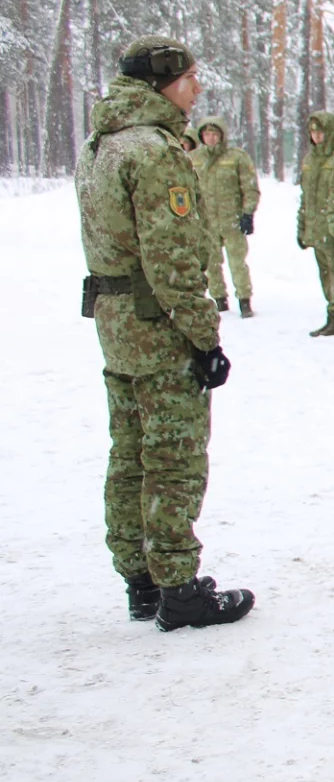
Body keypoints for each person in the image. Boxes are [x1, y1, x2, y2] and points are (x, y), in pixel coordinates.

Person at [78, 36, 253, 630]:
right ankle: (178, 587)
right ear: (162, 82)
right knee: (172, 457)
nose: (197, 87)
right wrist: (206, 339)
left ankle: (139, 577)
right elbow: (174, 259)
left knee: (128, 452)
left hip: (116, 322)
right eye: (190, 77)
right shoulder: (154, 151)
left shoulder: (102, 143)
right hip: (158, 326)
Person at [190, 116, 259, 317]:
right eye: (207, 134)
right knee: (211, 264)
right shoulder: (194, 159)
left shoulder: (236, 157)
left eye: (215, 134)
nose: (211, 138)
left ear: (222, 136)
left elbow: (250, 187)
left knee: (238, 262)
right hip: (206, 222)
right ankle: (219, 299)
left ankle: (244, 300)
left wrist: (248, 213)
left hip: (232, 220)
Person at [297, 111, 334, 336]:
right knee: (325, 272)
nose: (317, 136)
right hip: (314, 227)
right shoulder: (309, 160)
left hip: (332, 225)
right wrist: (301, 226)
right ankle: (331, 312)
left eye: (320, 131)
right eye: (313, 131)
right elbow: (305, 197)